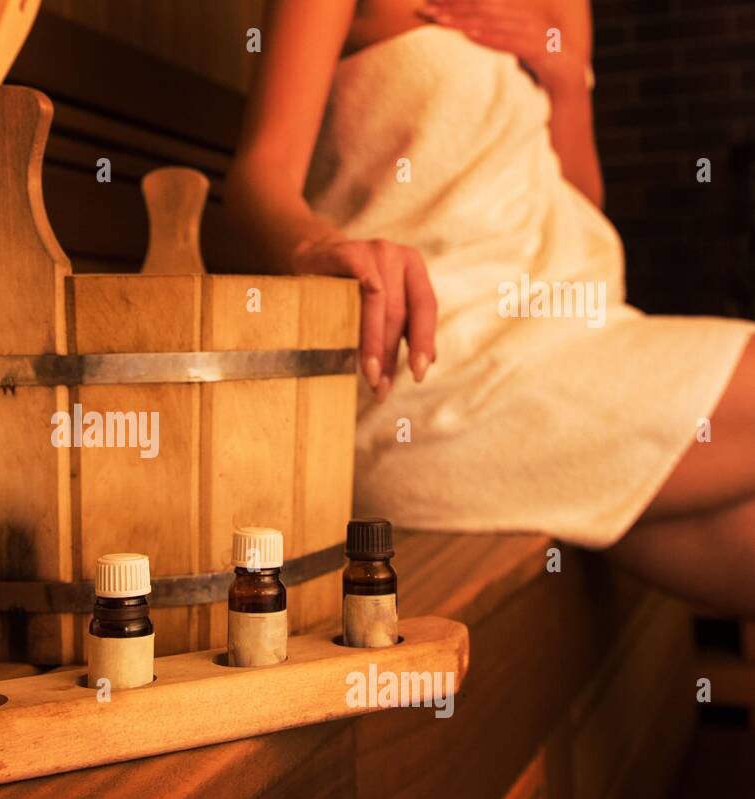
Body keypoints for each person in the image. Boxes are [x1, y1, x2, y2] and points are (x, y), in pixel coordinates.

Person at [224, 0, 755, 615]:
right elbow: (259, 172)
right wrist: (322, 245)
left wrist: (564, 76)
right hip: (429, 367)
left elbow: (576, 199)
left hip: (569, 336)